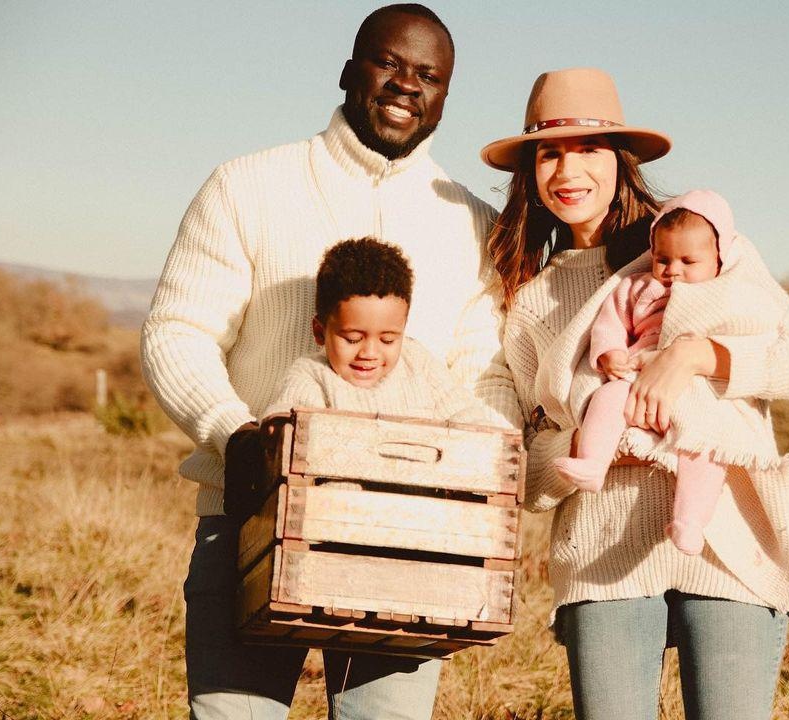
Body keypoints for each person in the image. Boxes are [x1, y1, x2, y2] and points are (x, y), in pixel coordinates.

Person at [141, 4, 519, 718]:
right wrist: (236, 436)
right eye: (388, 63)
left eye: (428, 74)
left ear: (444, 95)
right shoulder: (245, 186)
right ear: (350, 70)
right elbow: (177, 331)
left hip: (411, 537)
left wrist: (469, 475)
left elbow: (487, 372)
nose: (406, 84)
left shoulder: (475, 226)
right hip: (249, 518)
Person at [482, 67, 789, 719]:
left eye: (588, 148)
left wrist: (698, 354)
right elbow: (527, 470)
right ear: (529, 170)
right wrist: (599, 444)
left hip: (727, 539)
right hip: (601, 550)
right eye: (550, 151)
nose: (569, 169)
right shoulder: (532, 304)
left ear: (621, 160)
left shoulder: (697, 246)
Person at [553, 189, 789, 556]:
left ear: (719, 259)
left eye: (687, 261)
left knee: (705, 446)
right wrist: (608, 354)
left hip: (700, 390)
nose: (672, 270)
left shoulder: (726, 293)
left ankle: (689, 520)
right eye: (662, 258)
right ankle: (593, 463)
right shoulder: (637, 287)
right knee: (606, 398)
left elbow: (753, 329)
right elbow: (610, 322)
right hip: (638, 371)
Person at [261, 237, 485, 424]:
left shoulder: (417, 361)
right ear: (320, 332)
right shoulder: (312, 375)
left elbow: (465, 412)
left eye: (387, 340)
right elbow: (286, 422)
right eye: (353, 339)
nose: (369, 353)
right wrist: (278, 425)